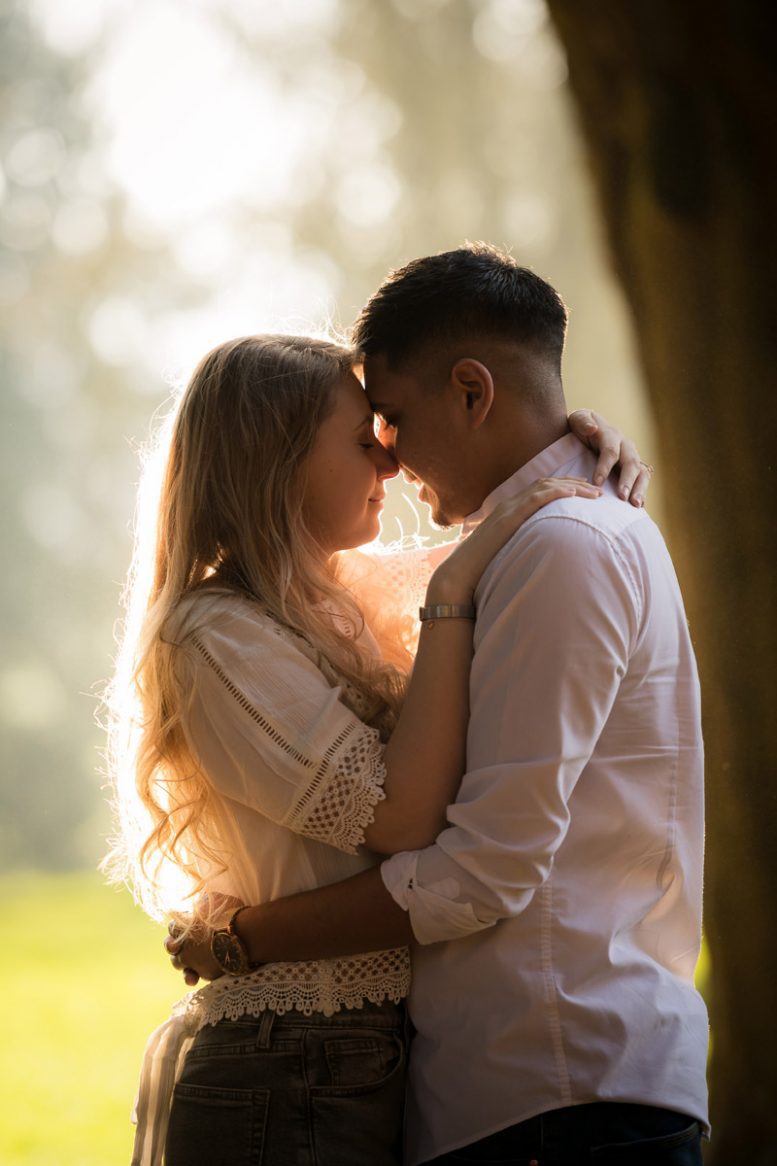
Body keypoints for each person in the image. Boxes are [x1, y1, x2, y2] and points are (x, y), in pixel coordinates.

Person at [169, 245, 709, 1166]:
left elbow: (481, 870)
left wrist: (248, 936)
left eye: (392, 417)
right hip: (519, 1086)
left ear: (471, 392)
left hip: (550, 1080)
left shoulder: (558, 549)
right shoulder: (507, 552)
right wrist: (570, 447)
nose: (386, 449)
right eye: (365, 429)